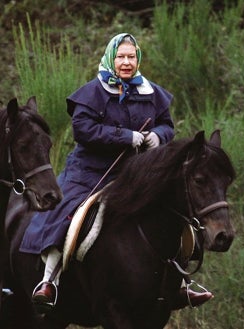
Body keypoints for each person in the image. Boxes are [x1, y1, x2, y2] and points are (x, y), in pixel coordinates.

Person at [20, 33, 212, 312]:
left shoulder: (150, 91)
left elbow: (167, 125)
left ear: (138, 59)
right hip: (90, 170)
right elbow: (82, 129)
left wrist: (158, 136)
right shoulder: (93, 92)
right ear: (111, 57)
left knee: (174, 213)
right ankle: (49, 280)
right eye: (121, 57)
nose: (126, 62)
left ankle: (180, 284)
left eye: (131, 57)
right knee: (68, 213)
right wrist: (125, 137)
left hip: (138, 173)